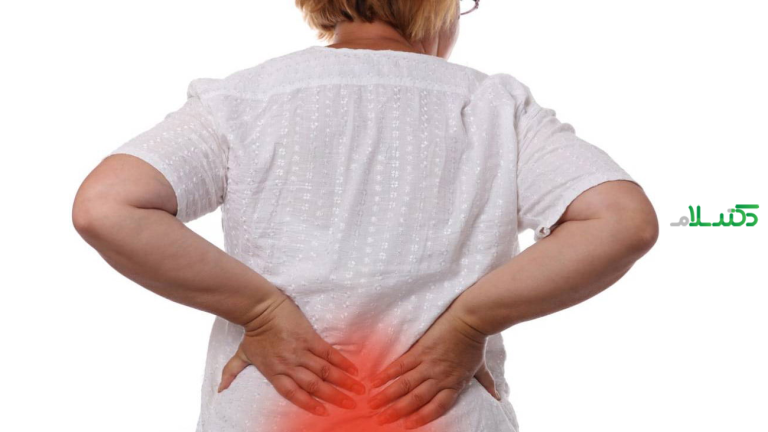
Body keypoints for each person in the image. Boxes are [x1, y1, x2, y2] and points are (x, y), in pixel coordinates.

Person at [72, 0, 659, 431]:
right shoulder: (494, 108)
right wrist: (467, 324)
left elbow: (109, 205)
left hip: (273, 412)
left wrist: (263, 313)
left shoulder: (244, 99)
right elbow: (620, 220)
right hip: (441, 416)